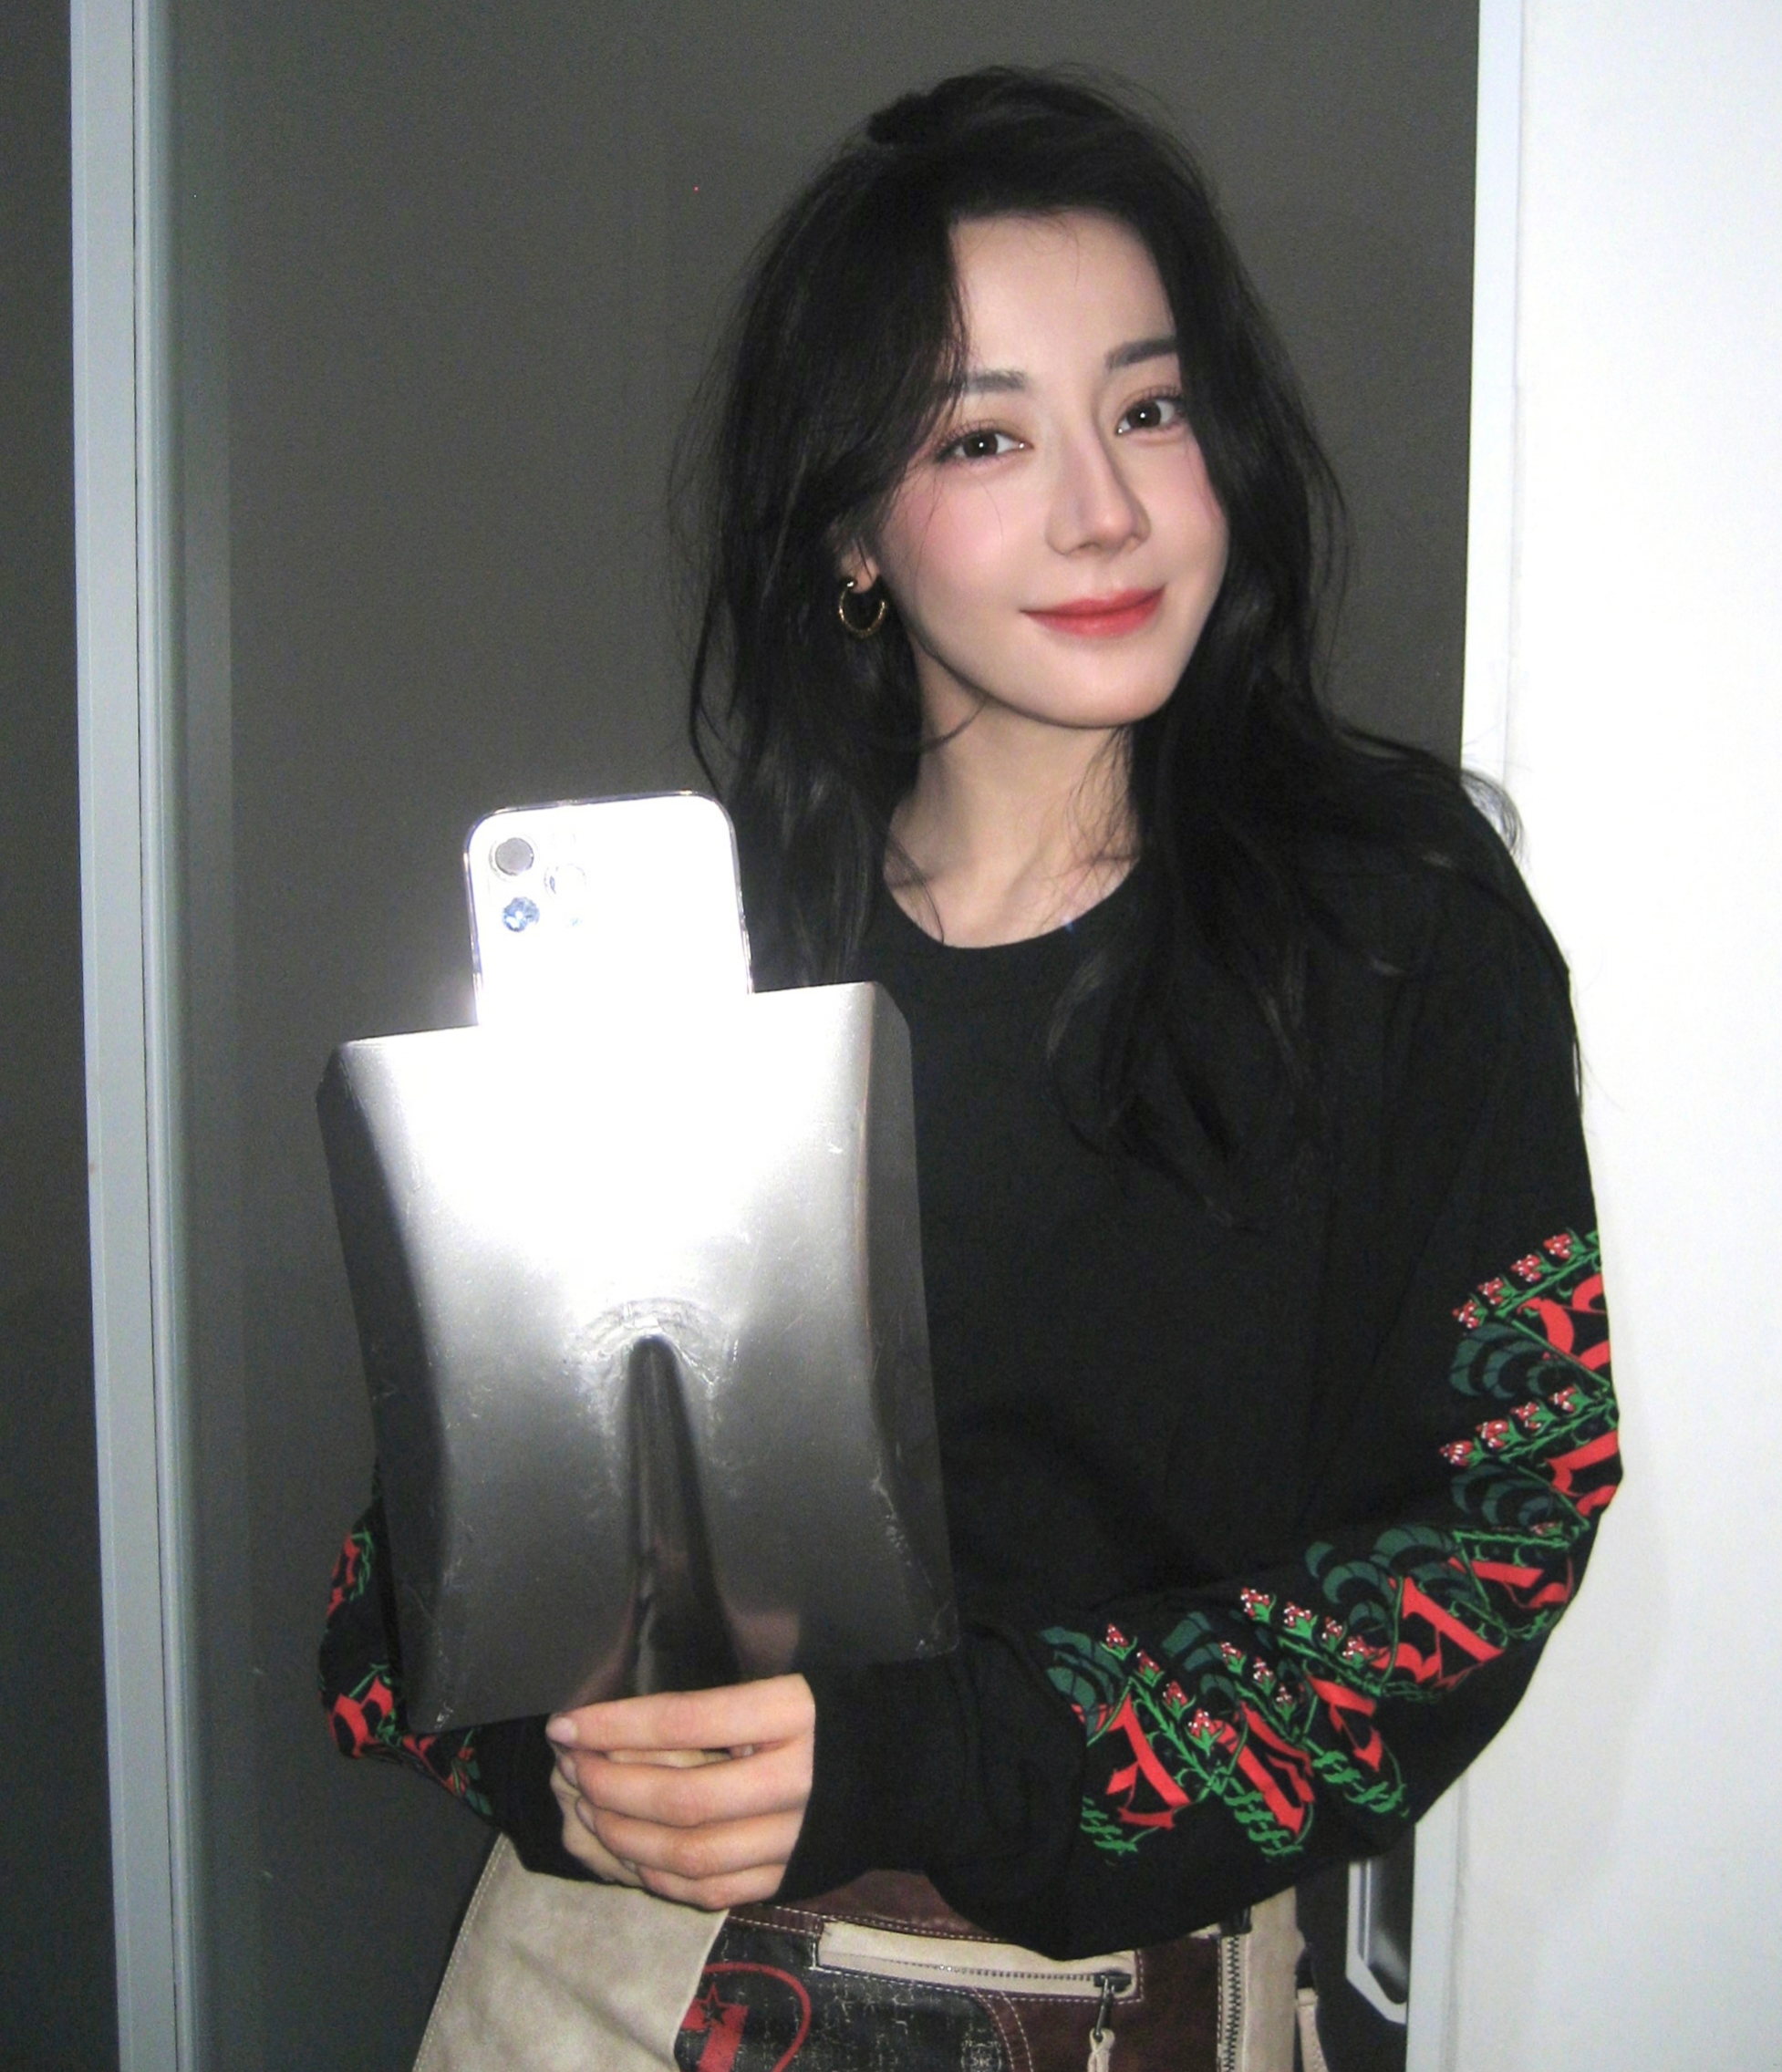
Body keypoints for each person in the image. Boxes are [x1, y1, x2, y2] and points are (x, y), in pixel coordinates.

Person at [320, 67, 1620, 2070]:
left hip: (1113, 2012)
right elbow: (431, 1557)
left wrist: (919, 1754)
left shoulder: (1390, 930)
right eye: (984, 435)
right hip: (608, 1987)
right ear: (851, 526)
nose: (1102, 508)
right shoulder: (717, 958)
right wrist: (555, 1760)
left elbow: (1494, 1534)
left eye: (1148, 408)